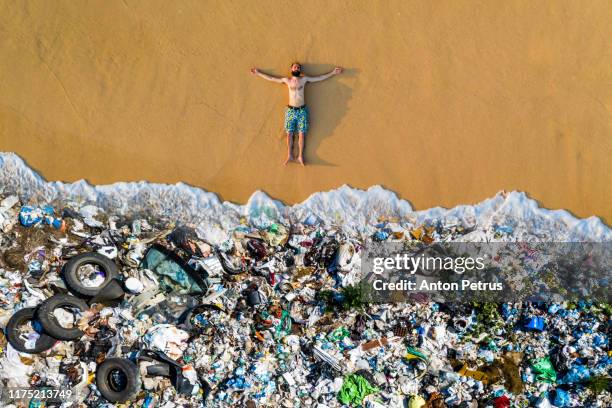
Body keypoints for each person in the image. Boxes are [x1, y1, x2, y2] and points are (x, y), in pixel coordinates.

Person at [251, 62, 343, 165]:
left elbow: (318, 78)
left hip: (302, 110)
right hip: (290, 110)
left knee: (302, 134)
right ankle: (289, 155)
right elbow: (272, 79)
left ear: (300, 70)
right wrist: (258, 73)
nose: (297, 68)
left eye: (298, 67)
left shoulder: (304, 80)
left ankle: (300, 156)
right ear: (291, 69)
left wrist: (332, 73)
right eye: (295, 67)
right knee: (289, 133)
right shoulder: (287, 80)